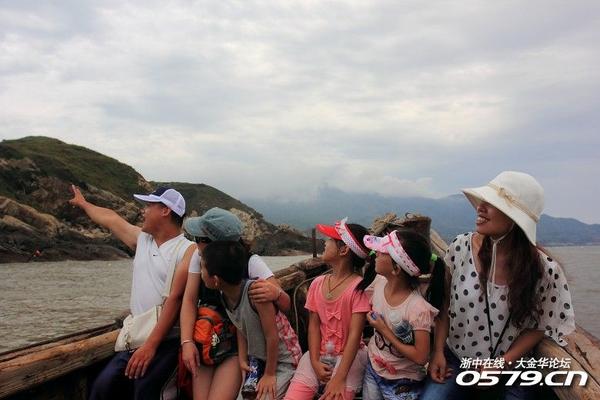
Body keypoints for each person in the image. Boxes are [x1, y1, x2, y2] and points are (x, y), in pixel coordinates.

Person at [421, 171, 576, 400]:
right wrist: (438, 352)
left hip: (512, 368)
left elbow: (539, 326)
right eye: (483, 201)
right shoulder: (460, 248)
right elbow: (444, 304)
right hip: (458, 359)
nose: (480, 208)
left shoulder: (544, 271)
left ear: (515, 219)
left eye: (492, 204)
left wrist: (501, 364)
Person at [69, 185, 195, 399]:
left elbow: (176, 301)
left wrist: (151, 346)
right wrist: (84, 204)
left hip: (167, 341)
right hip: (135, 338)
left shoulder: (187, 250)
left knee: (145, 392)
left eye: (149, 206)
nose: (143, 211)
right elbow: (110, 218)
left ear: (165, 210)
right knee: (101, 388)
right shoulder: (143, 240)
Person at [179, 207, 292, 399]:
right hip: (207, 337)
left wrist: (275, 293)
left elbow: (285, 305)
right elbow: (189, 301)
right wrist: (187, 342)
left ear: (216, 245)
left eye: (199, 239)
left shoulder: (250, 263)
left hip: (236, 344)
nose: (195, 243)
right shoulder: (199, 258)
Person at [284, 218, 375, 400]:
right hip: (318, 353)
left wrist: (339, 378)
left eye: (330, 240)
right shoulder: (317, 283)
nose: (325, 243)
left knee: (335, 392)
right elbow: (313, 326)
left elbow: (355, 335)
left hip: (349, 359)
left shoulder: (358, 288)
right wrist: (314, 361)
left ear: (344, 250)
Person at [200, 241, 302, 399]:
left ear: (216, 279)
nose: (201, 273)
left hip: (283, 360)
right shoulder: (225, 295)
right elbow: (241, 327)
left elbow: (272, 336)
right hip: (258, 361)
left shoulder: (256, 294)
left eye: (202, 268)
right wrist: (243, 359)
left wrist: (269, 374)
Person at [360, 229, 445, 399]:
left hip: (403, 381)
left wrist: (384, 331)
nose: (376, 253)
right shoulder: (378, 283)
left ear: (396, 269)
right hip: (374, 368)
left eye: (383, 251)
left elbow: (421, 357)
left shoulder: (417, 309)